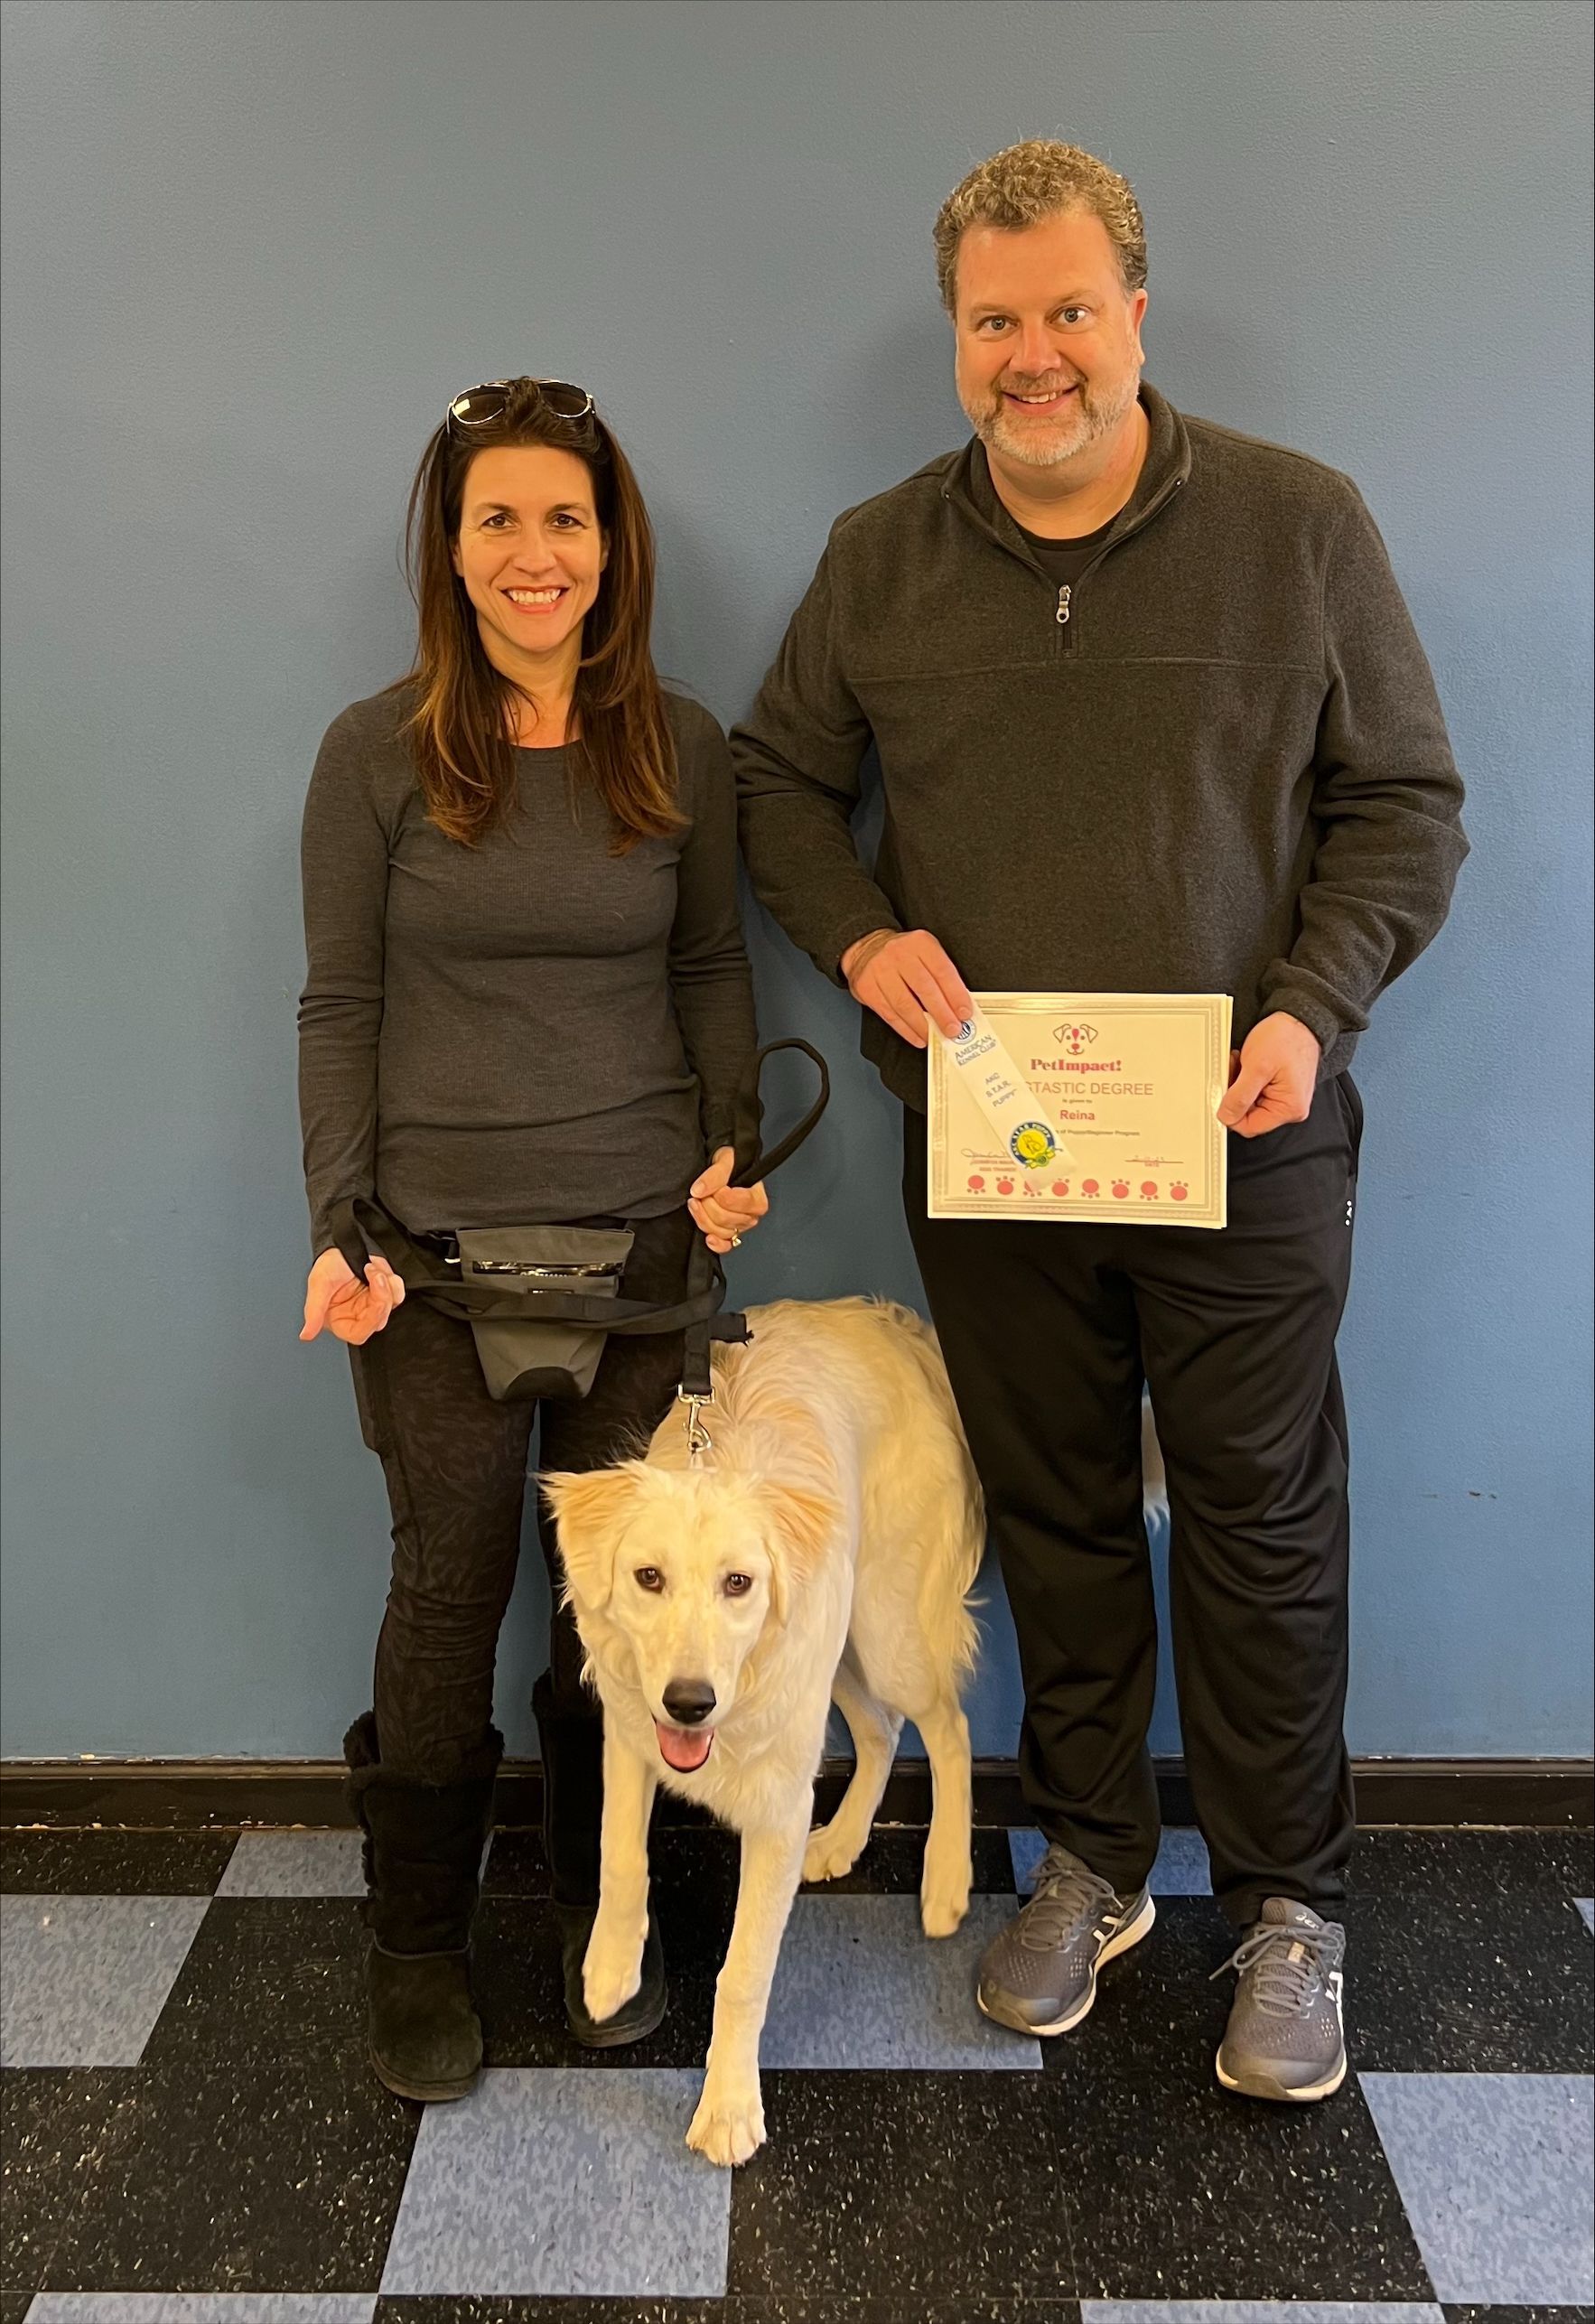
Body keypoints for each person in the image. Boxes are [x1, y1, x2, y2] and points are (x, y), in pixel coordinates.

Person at [732, 143, 1467, 2104]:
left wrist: (1313, 1007)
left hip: (1247, 1133)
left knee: (1257, 1521)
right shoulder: (878, 557)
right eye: (995, 321)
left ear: (1135, 313)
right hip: (996, 1152)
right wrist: (862, 936)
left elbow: (1404, 803)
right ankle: (1091, 1859)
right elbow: (775, 786)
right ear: (954, 336)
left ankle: (1290, 1904)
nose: (1032, 355)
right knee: (1051, 1515)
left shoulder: (1299, 527)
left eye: (1068, 310)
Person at [298, 377, 766, 2101]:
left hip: (640, 1249)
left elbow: (710, 964)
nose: (533, 551)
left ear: (608, 543)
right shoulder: (374, 751)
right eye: (495, 518)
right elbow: (339, 1003)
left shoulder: (681, 745)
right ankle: (417, 1947)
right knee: (449, 1595)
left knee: (617, 1618)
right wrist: (337, 1217)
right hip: (427, 1258)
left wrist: (728, 1148)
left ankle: (604, 1914)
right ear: (450, 548)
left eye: (564, 517)